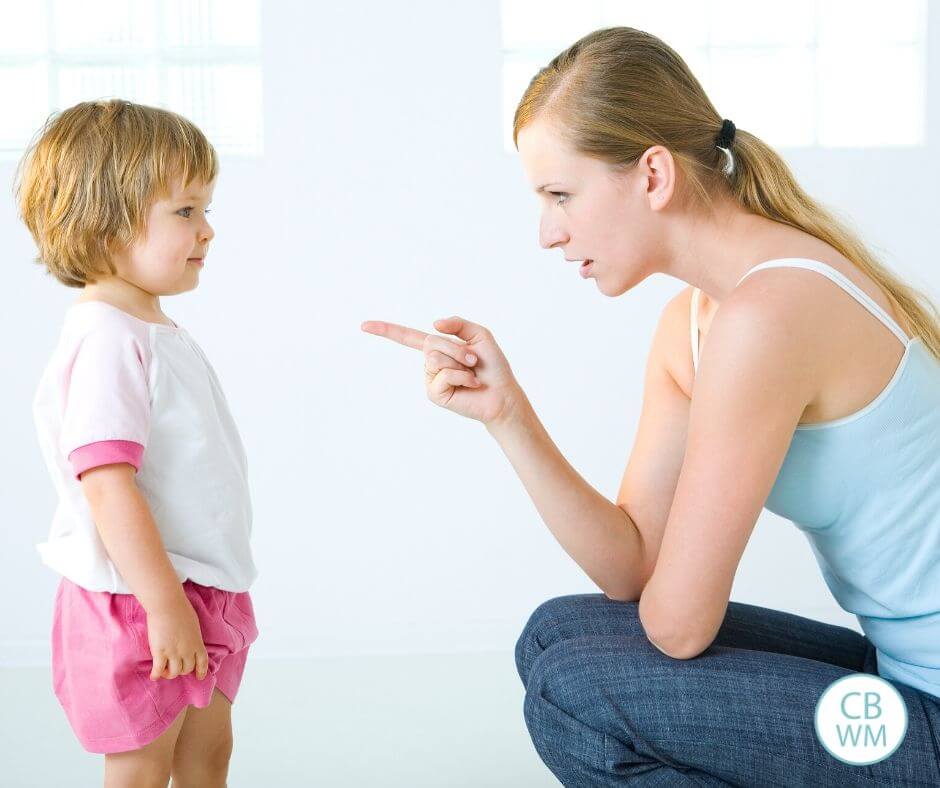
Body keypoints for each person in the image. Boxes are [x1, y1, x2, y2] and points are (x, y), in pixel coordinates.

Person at [362, 26, 940, 786]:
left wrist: (674, 590)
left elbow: (678, 626)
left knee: (574, 689)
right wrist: (509, 416)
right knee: (555, 639)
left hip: (922, 717)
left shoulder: (769, 313)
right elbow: (633, 571)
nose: (547, 232)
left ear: (654, 175)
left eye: (560, 194)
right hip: (893, 678)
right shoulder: (696, 322)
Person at [19, 99, 258, 788]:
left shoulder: (146, 329)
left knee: (207, 755)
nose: (207, 230)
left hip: (198, 584)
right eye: (184, 212)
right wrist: (163, 605)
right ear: (104, 223)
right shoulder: (106, 338)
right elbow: (106, 483)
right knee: (142, 767)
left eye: (204, 209)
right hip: (141, 596)